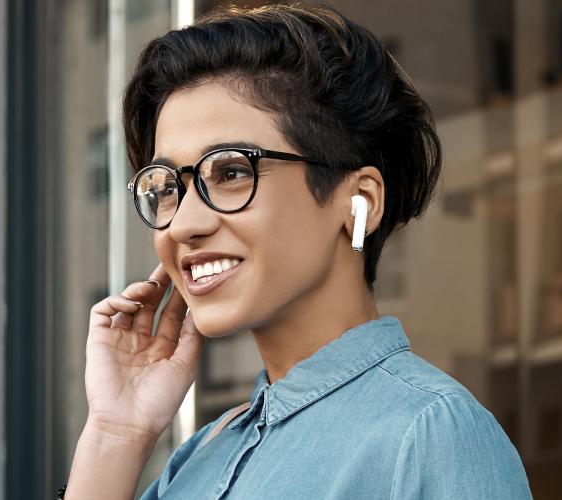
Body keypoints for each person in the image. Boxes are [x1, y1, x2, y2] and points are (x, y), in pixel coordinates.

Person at [62, 3, 532, 499]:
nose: (183, 224)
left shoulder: (430, 433)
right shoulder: (200, 458)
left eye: (231, 172)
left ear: (360, 201)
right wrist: (115, 435)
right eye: (167, 186)